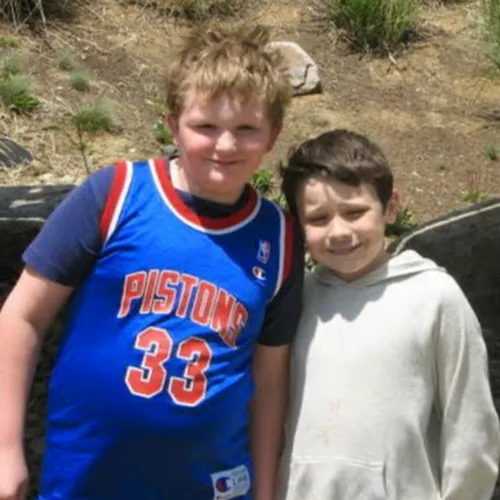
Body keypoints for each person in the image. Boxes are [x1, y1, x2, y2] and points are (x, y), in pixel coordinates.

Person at [0, 25, 304, 500]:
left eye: (246, 129)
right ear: (173, 123)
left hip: (210, 484)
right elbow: (22, 316)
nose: (225, 145)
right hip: (89, 479)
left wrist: (265, 491)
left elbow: (269, 380)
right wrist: (5, 449)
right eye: (205, 127)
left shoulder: (279, 237)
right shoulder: (117, 194)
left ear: (273, 135)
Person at [277, 129, 500, 500]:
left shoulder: (434, 297)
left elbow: (471, 428)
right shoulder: (297, 299)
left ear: (391, 206)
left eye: (355, 212)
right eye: (318, 218)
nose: (339, 231)